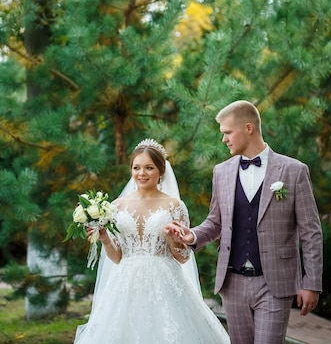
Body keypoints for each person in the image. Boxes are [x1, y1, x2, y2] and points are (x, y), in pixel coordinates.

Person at [166, 100, 323, 344]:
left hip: (274, 283)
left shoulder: (294, 171)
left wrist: (311, 283)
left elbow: (311, 232)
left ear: (248, 128)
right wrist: (193, 235)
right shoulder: (221, 172)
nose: (224, 139)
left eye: (228, 132)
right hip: (233, 282)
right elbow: (216, 222)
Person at [73, 138, 230, 344]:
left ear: (161, 171)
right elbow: (118, 257)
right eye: (136, 167)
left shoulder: (174, 205)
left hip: (164, 282)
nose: (142, 173)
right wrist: (104, 238)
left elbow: (183, 258)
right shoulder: (117, 206)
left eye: (149, 167)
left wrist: (173, 239)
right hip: (125, 285)